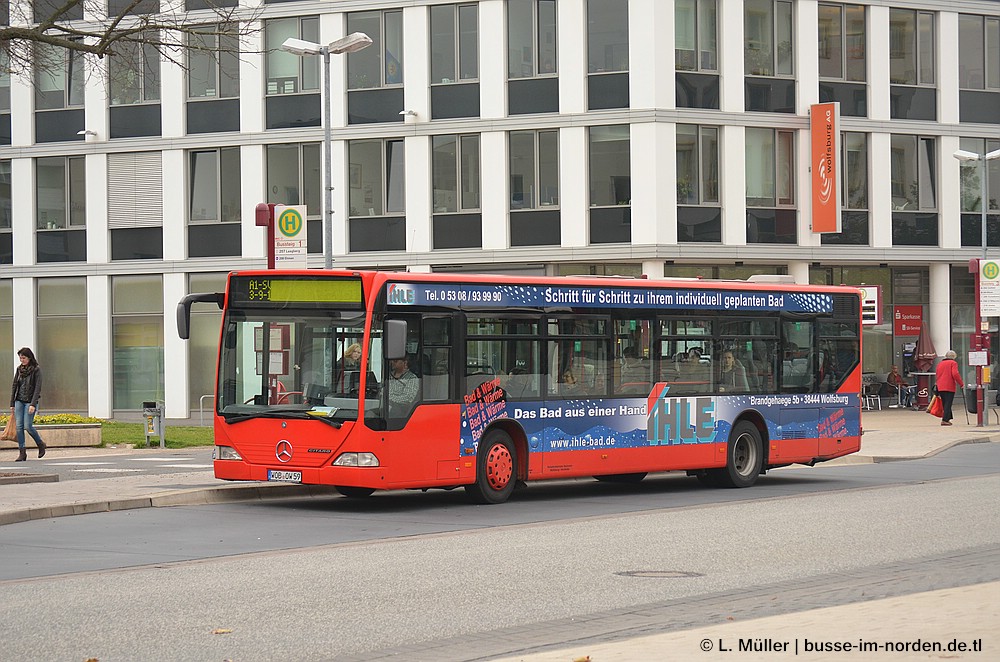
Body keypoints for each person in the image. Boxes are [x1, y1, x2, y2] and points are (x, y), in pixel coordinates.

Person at [10, 347, 46, 462]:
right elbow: (15, 385)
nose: (22, 360)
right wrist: (12, 403)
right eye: (20, 358)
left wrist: (33, 404)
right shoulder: (19, 369)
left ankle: (40, 444)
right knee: (19, 427)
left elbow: (37, 388)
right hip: (19, 400)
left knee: (28, 426)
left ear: (29, 357)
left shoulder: (36, 370)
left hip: (30, 401)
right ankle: (22, 452)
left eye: (24, 358)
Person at [934, 350, 964, 426]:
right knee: (948, 403)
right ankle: (945, 420)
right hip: (949, 386)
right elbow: (955, 373)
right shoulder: (953, 363)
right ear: (954, 357)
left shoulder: (940, 364)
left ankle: (948, 418)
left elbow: (937, 375)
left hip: (940, 386)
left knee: (945, 403)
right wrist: (961, 383)